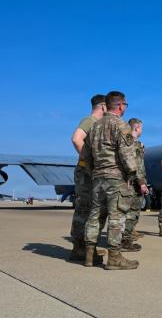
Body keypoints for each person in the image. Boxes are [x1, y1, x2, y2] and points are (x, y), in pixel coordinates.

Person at [83, 91, 148, 270]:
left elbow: (86, 156)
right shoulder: (121, 125)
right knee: (116, 217)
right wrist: (132, 176)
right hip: (116, 179)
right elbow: (127, 156)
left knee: (95, 216)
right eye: (125, 105)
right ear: (120, 105)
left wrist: (95, 172)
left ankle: (89, 255)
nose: (125, 108)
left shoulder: (94, 126)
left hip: (98, 179)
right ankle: (114, 258)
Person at [69, 94, 106, 263]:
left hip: (88, 172)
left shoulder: (96, 124)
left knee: (90, 208)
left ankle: (84, 248)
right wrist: (90, 161)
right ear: (103, 106)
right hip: (85, 172)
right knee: (84, 209)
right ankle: (79, 249)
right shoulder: (90, 121)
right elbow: (76, 139)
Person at [121, 118, 147, 251]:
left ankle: (125, 236)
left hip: (126, 182)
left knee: (125, 212)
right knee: (132, 213)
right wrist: (142, 183)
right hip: (134, 183)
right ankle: (126, 240)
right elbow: (138, 166)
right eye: (141, 128)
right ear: (136, 128)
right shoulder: (134, 144)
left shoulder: (124, 141)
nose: (141, 130)